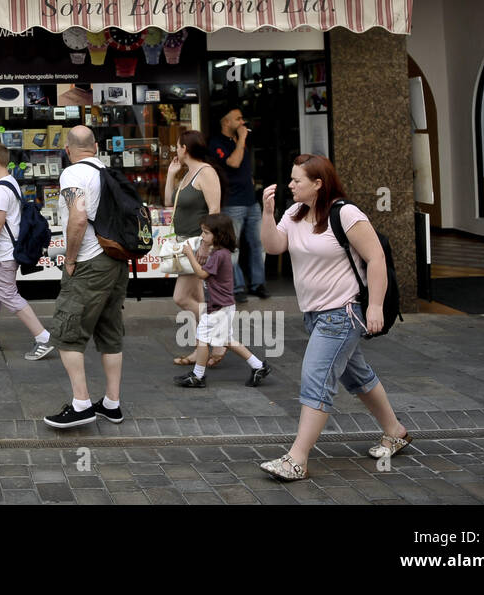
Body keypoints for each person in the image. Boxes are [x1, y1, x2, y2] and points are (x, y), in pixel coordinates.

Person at [258, 154, 410, 482]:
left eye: (297, 180)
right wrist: (267, 214)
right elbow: (273, 247)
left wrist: (374, 308)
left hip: (343, 313)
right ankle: (395, 430)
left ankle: (297, 459)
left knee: (316, 377)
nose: (290, 185)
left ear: (318, 184)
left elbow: (376, 258)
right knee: (358, 377)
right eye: (291, 179)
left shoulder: (346, 214)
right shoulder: (294, 213)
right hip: (314, 315)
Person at [43, 125, 128, 429]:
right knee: (110, 332)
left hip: (90, 262)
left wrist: (70, 258)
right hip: (116, 260)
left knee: (68, 332)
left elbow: (78, 218)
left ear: (68, 150)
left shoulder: (73, 174)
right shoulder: (106, 170)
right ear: (95, 146)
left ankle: (81, 404)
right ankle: (111, 403)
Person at [0, 142, 54, 361]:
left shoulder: (1, 189)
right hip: (0, 253)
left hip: (3, 254)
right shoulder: (9, 183)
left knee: (7, 293)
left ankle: (43, 337)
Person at [173, 214, 270, 387]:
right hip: (222, 306)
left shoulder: (219, 255)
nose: (203, 236)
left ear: (219, 235)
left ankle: (198, 376)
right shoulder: (221, 253)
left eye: (206, 233)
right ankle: (258, 366)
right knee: (227, 340)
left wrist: (189, 255)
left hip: (219, 307)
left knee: (203, 337)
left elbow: (201, 274)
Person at [163, 130, 223, 367]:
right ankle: (206, 349)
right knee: (199, 300)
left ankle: (221, 332)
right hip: (184, 243)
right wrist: (171, 175)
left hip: (197, 243)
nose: (176, 150)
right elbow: (169, 202)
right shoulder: (187, 174)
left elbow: (214, 210)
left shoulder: (206, 172)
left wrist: (207, 244)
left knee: (181, 297)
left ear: (184, 148)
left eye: (177, 145)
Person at [209, 108, 267, 302]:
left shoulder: (238, 142)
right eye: (238, 119)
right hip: (233, 203)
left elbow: (242, 166)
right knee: (233, 247)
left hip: (251, 202)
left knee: (258, 244)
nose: (243, 123)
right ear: (226, 122)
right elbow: (232, 162)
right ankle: (237, 287)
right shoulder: (216, 143)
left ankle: (258, 283)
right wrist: (242, 140)